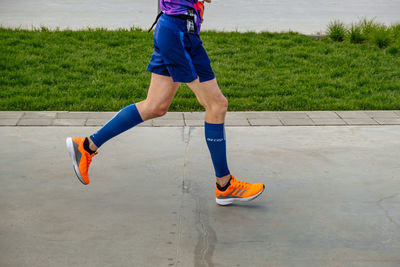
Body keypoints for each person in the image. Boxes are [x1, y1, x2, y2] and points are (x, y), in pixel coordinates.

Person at [66, 0, 264, 206]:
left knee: (155, 106)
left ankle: (86, 146)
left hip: (172, 28)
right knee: (217, 105)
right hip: (179, 32)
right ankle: (225, 185)